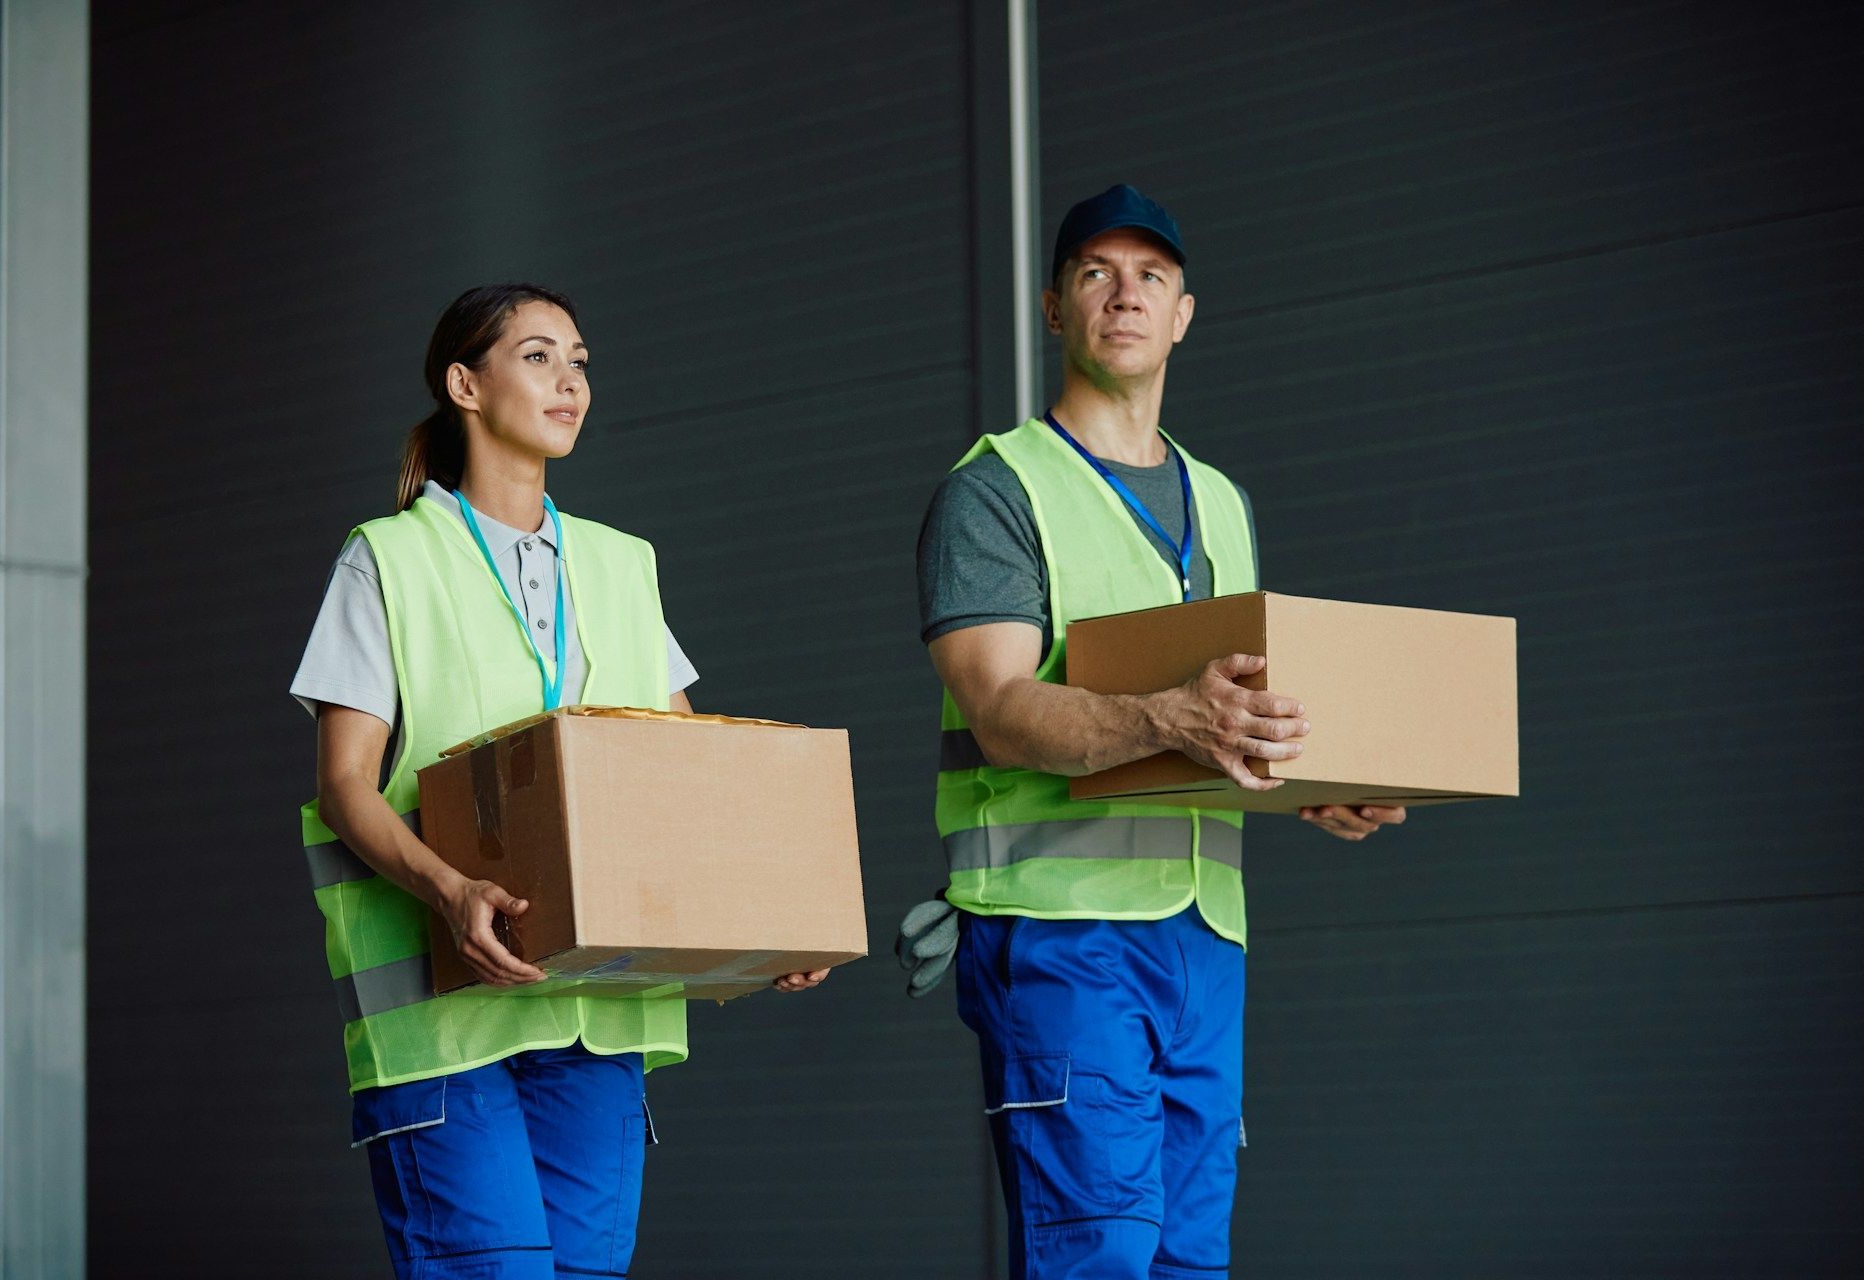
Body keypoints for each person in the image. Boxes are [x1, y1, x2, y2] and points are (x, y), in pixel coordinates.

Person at [908, 186, 1406, 1278]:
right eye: (1096, 272)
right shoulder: (998, 491)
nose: (1125, 294)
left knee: (1188, 1257)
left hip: (1202, 939)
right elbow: (996, 708)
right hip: (1059, 931)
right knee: (1101, 1252)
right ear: (1054, 308)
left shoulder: (1222, 501)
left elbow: (1230, 720)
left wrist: (1307, 778)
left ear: (1184, 313)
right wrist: (1162, 714)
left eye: (1151, 276)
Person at [291, 283, 827, 1280]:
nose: (569, 381)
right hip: (443, 1020)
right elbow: (345, 783)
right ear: (465, 383)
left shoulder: (625, 566)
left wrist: (772, 923)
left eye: (579, 360)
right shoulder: (390, 560)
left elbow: (689, 771)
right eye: (538, 357)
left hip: (595, 1011)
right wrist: (452, 891)